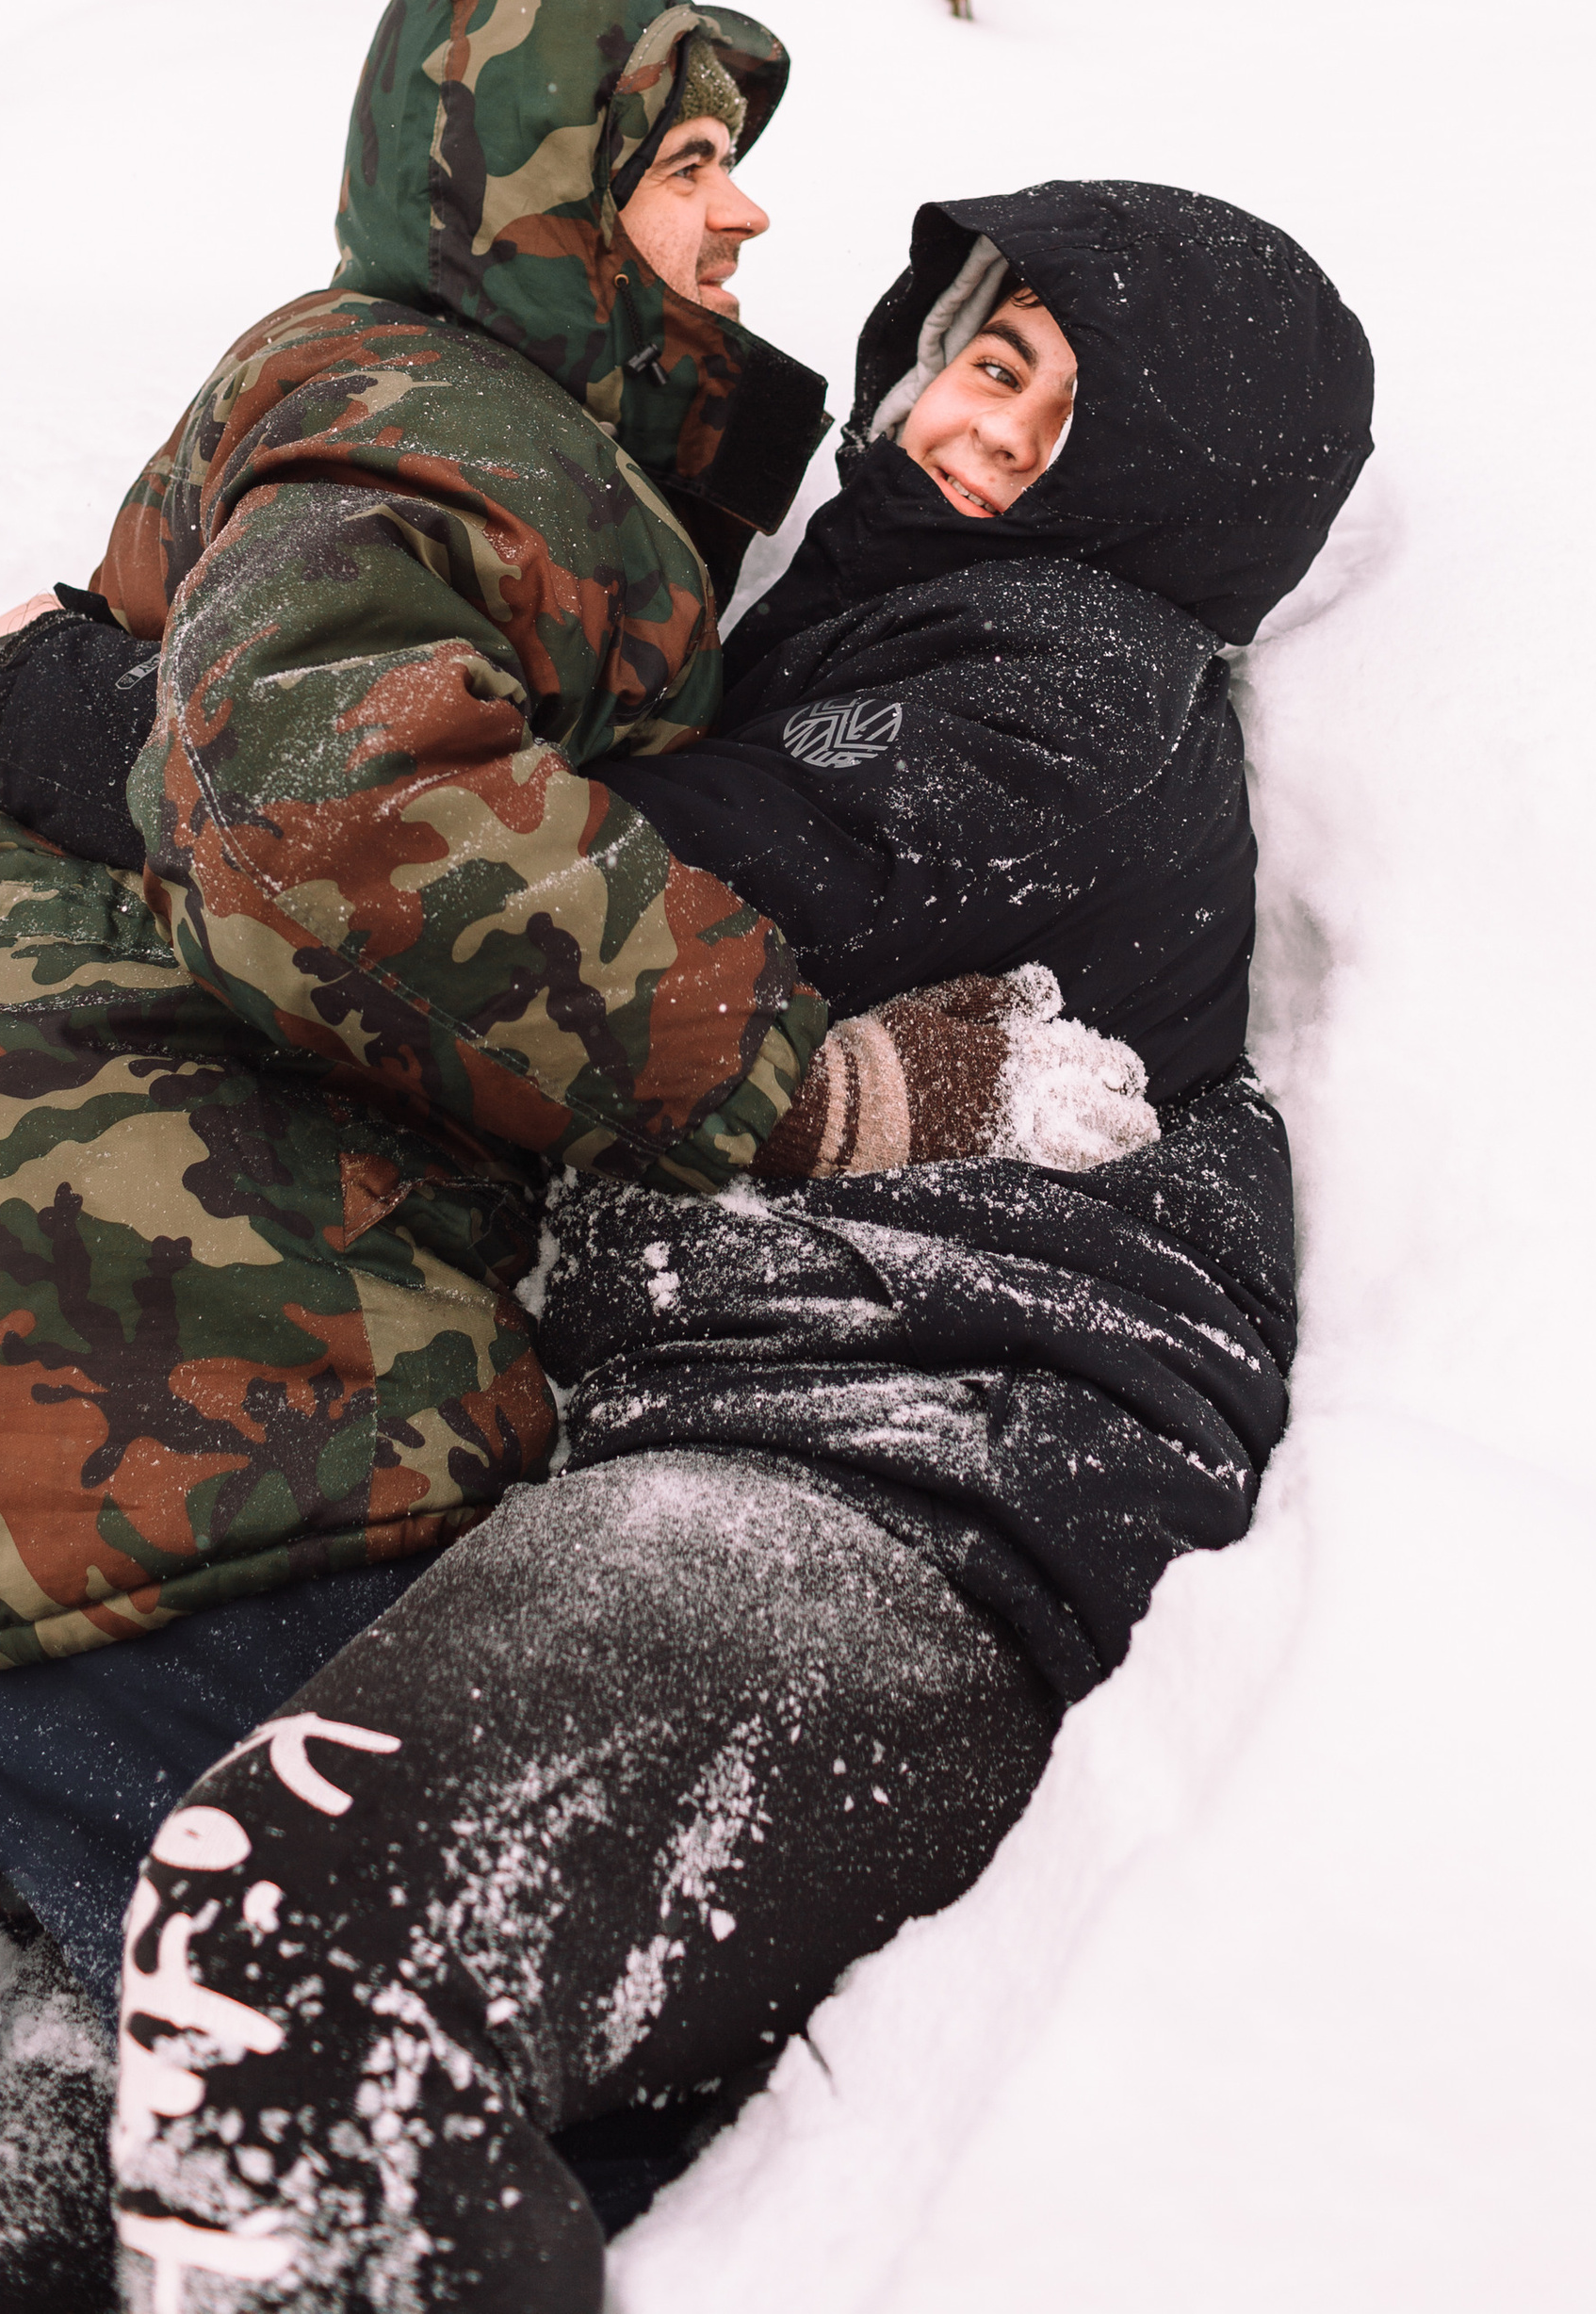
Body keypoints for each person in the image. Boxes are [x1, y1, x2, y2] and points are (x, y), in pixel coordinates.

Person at [89, 178, 1373, 2313]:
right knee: (30, 2165)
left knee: (283, 1940)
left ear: (1168, 486)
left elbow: (495, 906)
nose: (965, 429)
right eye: (981, 357)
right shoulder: (854, 646)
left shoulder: (1068, 690)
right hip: (700, 1465)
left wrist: (78, 716)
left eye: (1050, 413)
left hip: (917, 1494)